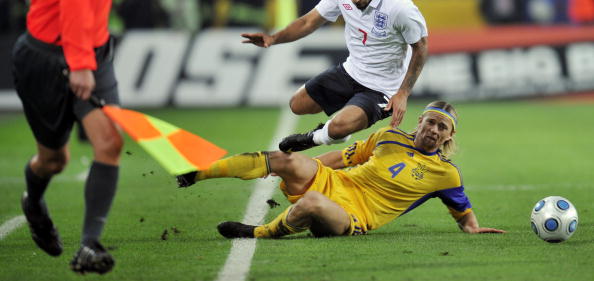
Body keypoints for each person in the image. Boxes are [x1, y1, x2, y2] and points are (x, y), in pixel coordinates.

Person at [11, 0, 133, 275]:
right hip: (53, 59)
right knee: (53, 161)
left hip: (86, 53)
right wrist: (78, 61)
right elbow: (78, 0)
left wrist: (43, 9)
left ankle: (90, 245)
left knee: (110, 143)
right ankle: (33, 202)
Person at [177, 101, 505, 238]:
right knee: (284, 159)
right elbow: (342, 157)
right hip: (336, 182)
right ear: (420, 121)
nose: (434, 129)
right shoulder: (387, 136)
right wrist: (299, 169)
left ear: (449, 136)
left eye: (442, 127)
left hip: (355, 216)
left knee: (312, 203)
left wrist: (473, 228)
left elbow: (462, 211)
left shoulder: (446, 174)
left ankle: (256, 232)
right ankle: (200, 172)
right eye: (431, 121)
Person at [242, 0, 428, 153]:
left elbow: (421, 47)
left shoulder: (400, 8)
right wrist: (273, 38)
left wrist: (402, 93)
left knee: (338, 127)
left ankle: (316, 137)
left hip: (382, 89)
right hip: (351, 72)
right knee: (297, 104)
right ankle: (339, 126)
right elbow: (308, 21)